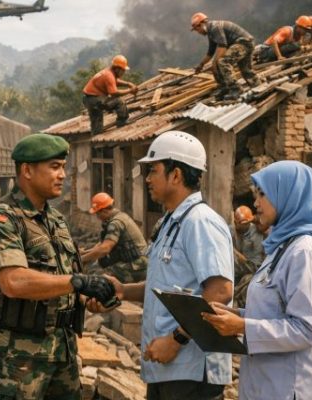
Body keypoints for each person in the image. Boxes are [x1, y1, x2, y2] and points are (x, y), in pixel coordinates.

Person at [92, 130, 234, 400]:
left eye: (153, 170)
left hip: (192, 371)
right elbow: (166, 284)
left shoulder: (201, 222)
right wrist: (124, 290)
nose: (147, 178)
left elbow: (220, 291)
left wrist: (176, 340)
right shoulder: (171, 222)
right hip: (168, 368)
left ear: (176, 175)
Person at [0, 133, 118, 399]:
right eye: (54, 167)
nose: (62, 175)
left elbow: (62, 278)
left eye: (63, 167)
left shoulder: (55, 220)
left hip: (62, 350)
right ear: (27, 171)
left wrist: (88, 297)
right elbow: (13, 281)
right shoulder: (3, 218)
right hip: (18, 357)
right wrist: (77, 282)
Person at [203, 160, 312, 400]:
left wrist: (242, 326)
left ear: (289, 195)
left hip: (296, 388)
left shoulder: (305, 251)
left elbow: (308, 329)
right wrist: (236, 315)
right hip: (270, 384)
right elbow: (275, 311)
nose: (256, 203)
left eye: (263, 194)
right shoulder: (282, 247)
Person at [191, 12, 262, 101]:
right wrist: (201, 65)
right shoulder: (211, 32)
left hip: (244, 43)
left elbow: (222, 46)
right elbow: (210, 52)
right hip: (246, 43)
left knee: (222, 62)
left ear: (201, 24)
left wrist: (214, 63)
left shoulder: (215, 27)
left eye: (197, 29)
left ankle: (236, 89)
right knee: (245, 69)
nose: (198, 32)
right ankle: (257, 85)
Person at [81, 192, 148, 283]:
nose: (98, 217)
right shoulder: (120, 216)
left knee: (97, 279)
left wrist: (82, 259)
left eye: (98, 214)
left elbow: (104, 249)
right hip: (136, 263)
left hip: (137, 265)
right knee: (97, 267)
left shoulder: (116, 223)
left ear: (104, 211)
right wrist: (84, 253)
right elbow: (101, 245)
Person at [82, 55, 138, 134]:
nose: (123, 73)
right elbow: (114, 93)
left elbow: (114, 81)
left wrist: (128, 84)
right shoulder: (109, 75)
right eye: (123, 70)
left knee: (97, 128)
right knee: (119, 101)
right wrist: (130, 91)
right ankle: (122, 120)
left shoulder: (108, 72)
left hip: (89, 100)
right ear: (117, 69)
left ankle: (96, 133)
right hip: (95, 100)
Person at [231, 206, 265, 307]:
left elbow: (255, 266)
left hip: (252, 267)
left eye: (246, 223)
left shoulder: (256, 234)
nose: (242, 225)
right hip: (235, 270)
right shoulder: (230, 231)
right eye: (238, 223)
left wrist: (234, 252)